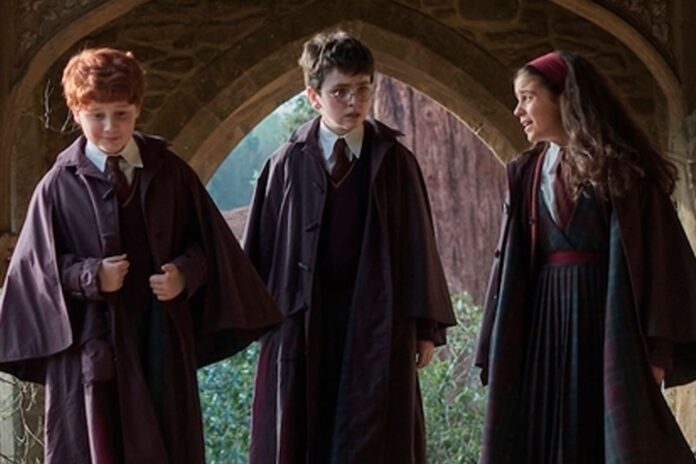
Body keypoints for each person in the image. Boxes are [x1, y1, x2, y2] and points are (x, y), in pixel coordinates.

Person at [0, 47, 281, 464]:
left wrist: (184, 274)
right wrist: (91, 276)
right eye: (97, 115)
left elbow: (210, 248)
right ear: (76, 112)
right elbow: (36, 274)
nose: (110, 127)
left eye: (122, 114)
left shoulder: (172, 173)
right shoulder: (57, 186)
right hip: (92, 352)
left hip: (160, 343)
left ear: (137, 109)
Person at [243, 30, 456, 463]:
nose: (354, 101)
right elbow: (258, 253)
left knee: (376, 438)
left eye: (363, 89)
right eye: (339, 91)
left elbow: (418, 246)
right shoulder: (285, 163)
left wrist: (426, 329)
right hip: (304, 325)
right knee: (304, 436)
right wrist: (262, 326)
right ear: (313, 97)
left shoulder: (394, 161)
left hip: (378, 323)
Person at [476, 50, 696, 463]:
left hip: (608, 321)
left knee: (610, 437)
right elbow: (511, 265)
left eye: (527, 98)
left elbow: (659, 264)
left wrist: (658, 351)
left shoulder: (622, 172)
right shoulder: (526, 173)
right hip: (543, 323)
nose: (518, 110)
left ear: (565, 98)